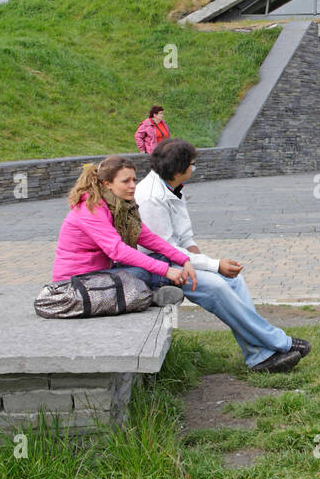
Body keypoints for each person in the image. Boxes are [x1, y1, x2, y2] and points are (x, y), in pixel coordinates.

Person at [131, 139, 310, 373]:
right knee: (217, 287)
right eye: (191, 164)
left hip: (177, 259)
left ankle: (259, 355)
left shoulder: (172, 186)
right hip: (159, 267)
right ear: (178, 170)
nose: (194, 167)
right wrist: (214, 265)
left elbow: (184, 237)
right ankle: (280, 343)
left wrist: (206, 262)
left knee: (234, 280)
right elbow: (166, 249)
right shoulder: (151, 197)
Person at [51, 156, 194, 307]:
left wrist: (184, 259)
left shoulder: (122, 207)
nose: (133, 186)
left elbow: (148, 238)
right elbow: (117, 251)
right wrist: (165, 271)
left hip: (101, 273)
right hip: (74, 283)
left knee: (161, 258)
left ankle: (155, 292)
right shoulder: (91, 208)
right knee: (140, 273)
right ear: (107, 184)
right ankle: (153, 294)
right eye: (126, 181)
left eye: (134, 180)